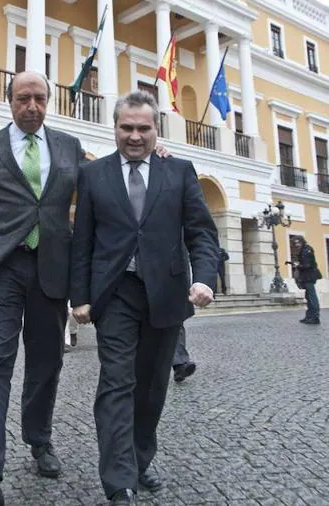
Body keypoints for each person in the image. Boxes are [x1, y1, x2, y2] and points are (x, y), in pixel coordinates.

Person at [70, 90, 219, 505]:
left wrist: (205, 278)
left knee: (152, 386)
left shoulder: (181, 171)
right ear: (114, 128)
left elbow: (202, 232)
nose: (134, 136)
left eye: (143, 128)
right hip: (114, 293)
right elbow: (81, 239)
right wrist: (79, 296)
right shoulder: (93, 175)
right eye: (126, 127)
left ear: (157, 129)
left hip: (166, 294)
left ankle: (139, 457)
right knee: (116, 382)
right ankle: (119, 481)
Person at [0, 71, 86, 506]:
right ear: (9, 102)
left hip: (52, 269)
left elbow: (99, 190)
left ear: (49, 102)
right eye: (23, 98)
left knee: (46, 363)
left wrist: (151, 153)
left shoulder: (69, 147)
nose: (32, 105)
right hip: (1, 267)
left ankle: (39, 439)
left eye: (40, 98)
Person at [293, 236, 322, 325]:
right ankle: (309, 316)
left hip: (309, 276)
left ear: (302, 242)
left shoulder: (307, 250)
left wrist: (298, 265)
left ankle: (315, 317)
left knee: (312, 297)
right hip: (307, 276)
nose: (297, 244)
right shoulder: (303, 250)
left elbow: (308, 265)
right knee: (308, 297)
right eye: (295, 243)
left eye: (298, 242)